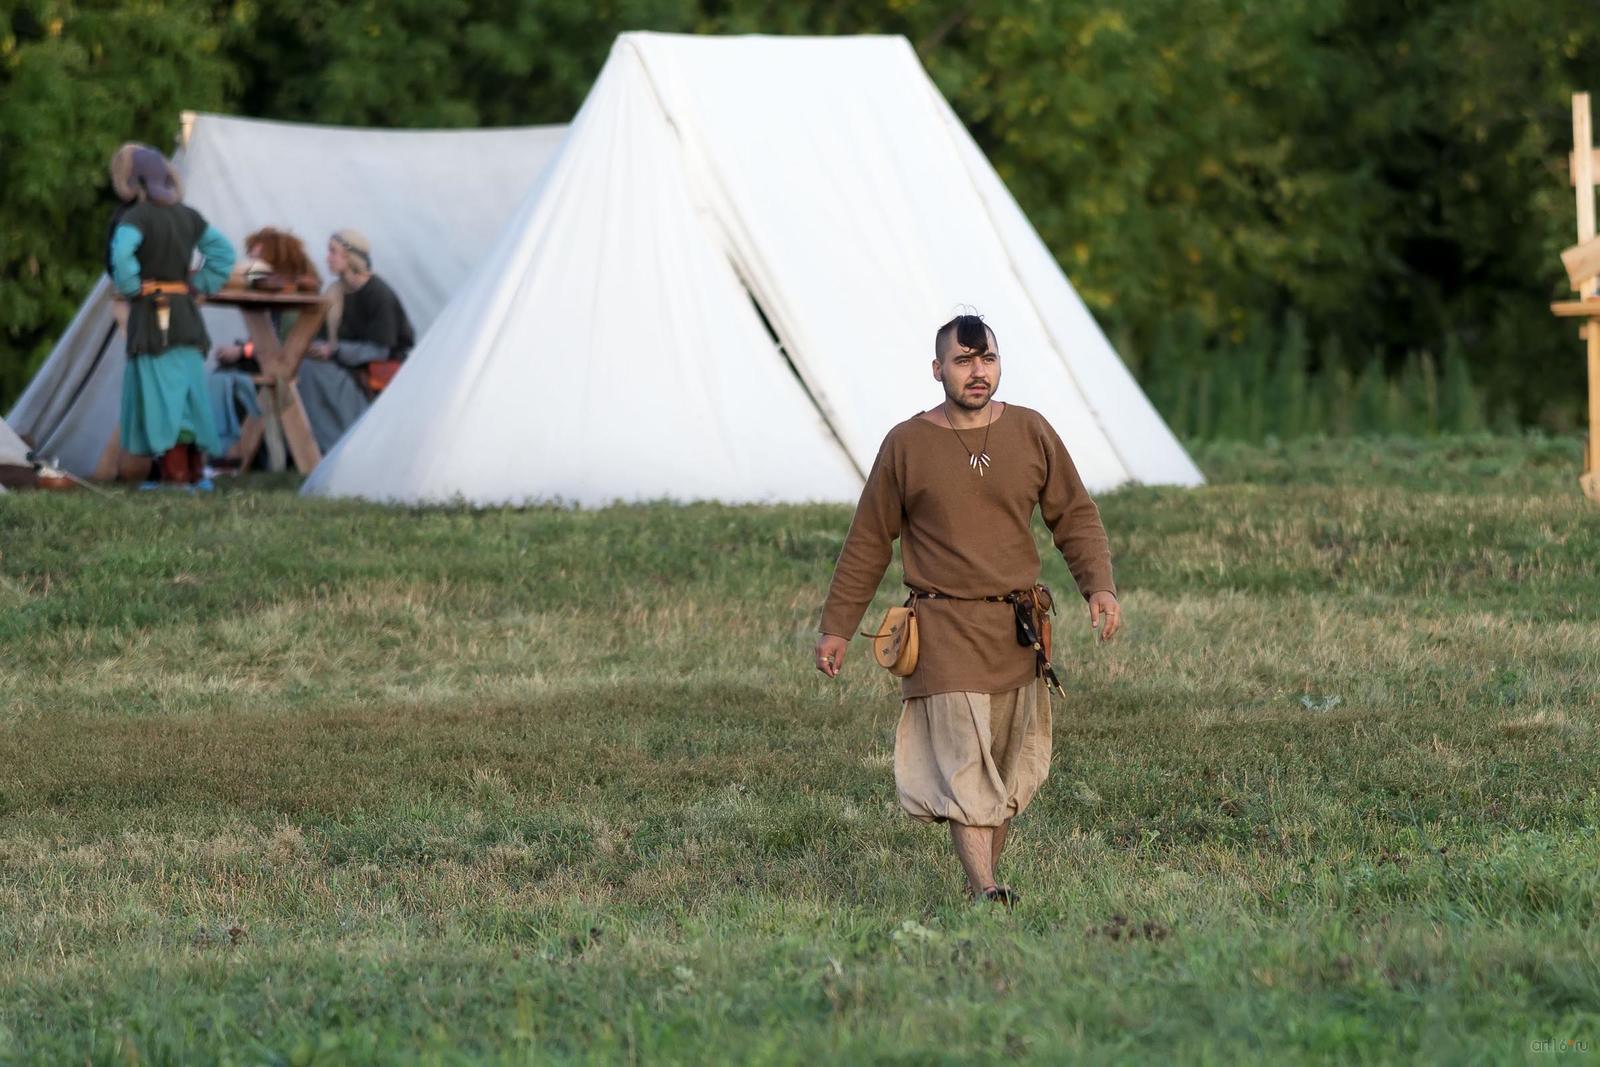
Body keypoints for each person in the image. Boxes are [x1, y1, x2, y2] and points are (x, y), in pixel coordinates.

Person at [814, 313, 1122, 905]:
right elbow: (869, 539)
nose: (977, 372)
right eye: (963, 361)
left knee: (1003, 770)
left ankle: (983, 889)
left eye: (987, 360)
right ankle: (986, 886)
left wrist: (1099, 586)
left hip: (1017, 629)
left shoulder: (1031, 431)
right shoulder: (907, 443)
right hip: (943, 628)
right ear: (938, 370)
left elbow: (1074, 515)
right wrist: (837, 627)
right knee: (965, 764)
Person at [109, 146, 235, 488]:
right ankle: (193, 475)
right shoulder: (188, 216)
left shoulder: (137, 218)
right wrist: (198, 285)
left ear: (132, 180)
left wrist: (131, 287)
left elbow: (121, 255)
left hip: (154, 320)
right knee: (189, 396)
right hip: (186, 317)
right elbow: (224, 253)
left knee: (166, 399)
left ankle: (178, 476)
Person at [208, 227, 322, 459]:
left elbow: (284, 346)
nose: (252, 262)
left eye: (257, 256)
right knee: (224, 376)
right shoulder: (273, 293)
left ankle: (235, 452)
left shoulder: (296, 293)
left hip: (297, 364)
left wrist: (242, 351)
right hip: (272, 360)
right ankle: (228, 451)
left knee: (232, 377)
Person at [297, 230, 414, 452]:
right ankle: (326, 447)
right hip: (345, 365)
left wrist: (335, 350)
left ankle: (346, 446)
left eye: (333, 252)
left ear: (350, 256)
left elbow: (380, 350)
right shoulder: (335, 293)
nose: (328, 258)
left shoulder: (378, 293)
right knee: (305, 367)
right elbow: (324, 338)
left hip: (374, 372)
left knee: (310, 371)